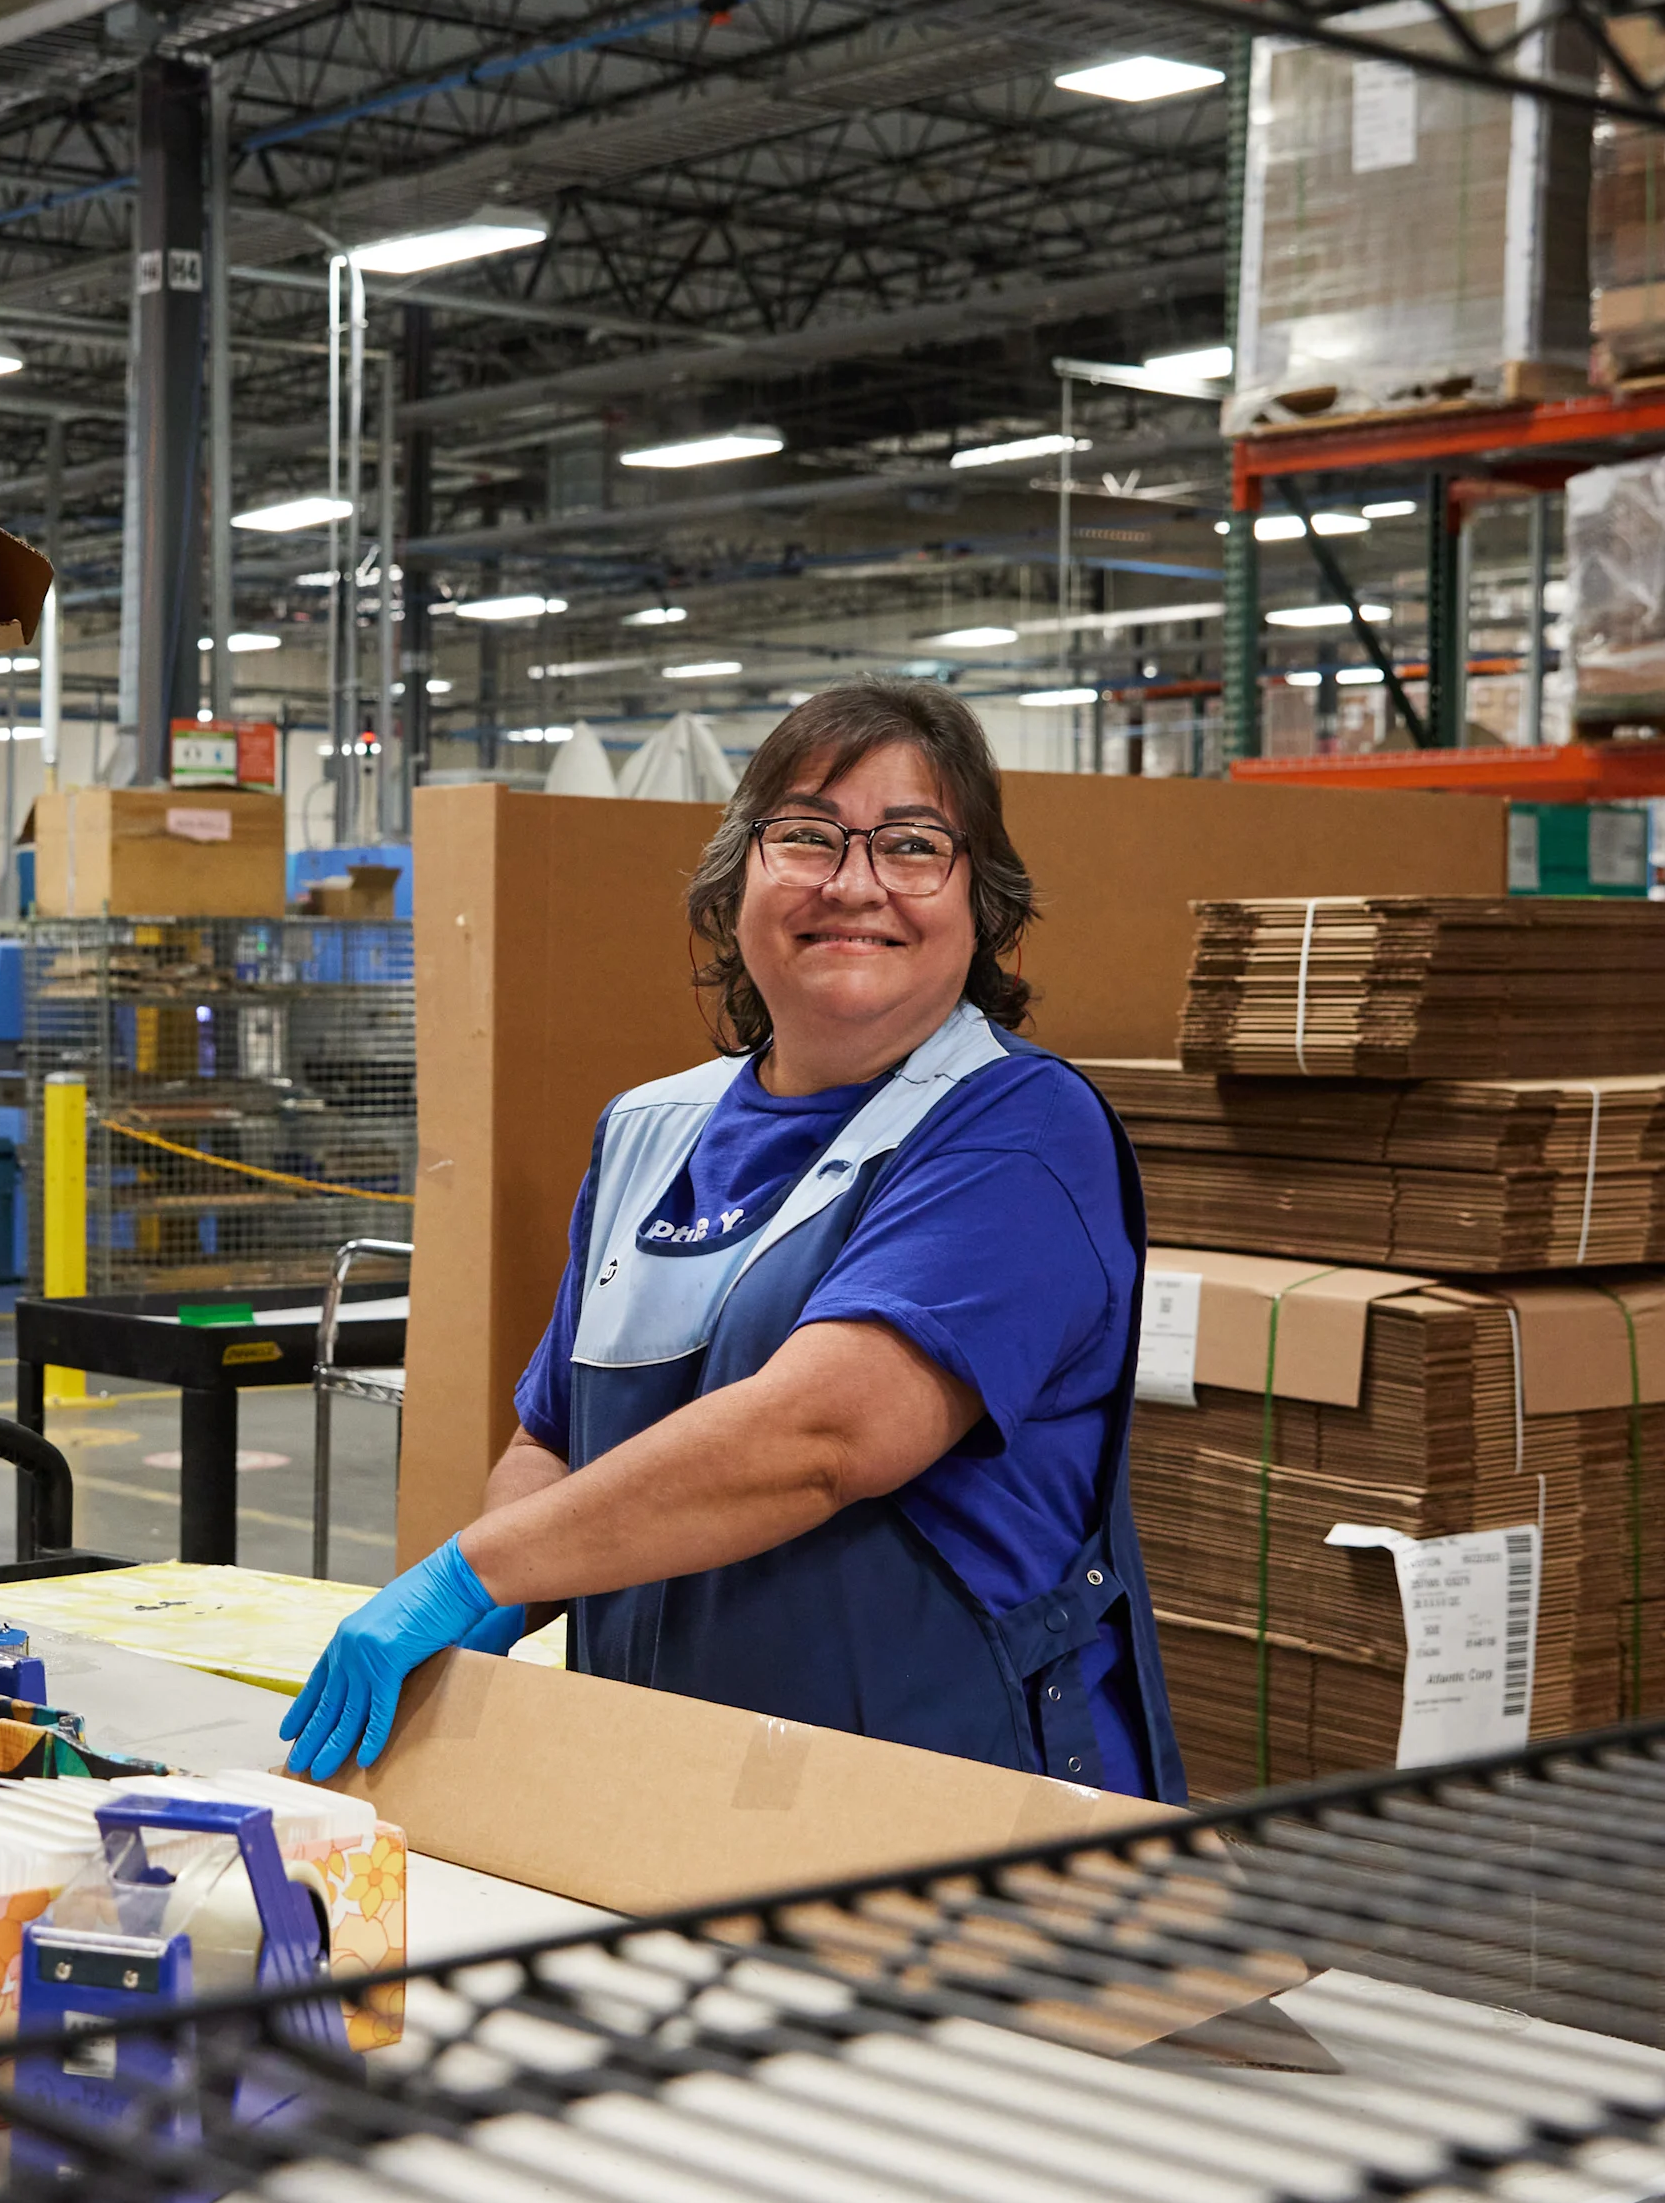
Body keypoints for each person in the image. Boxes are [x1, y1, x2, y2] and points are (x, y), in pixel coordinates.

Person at [284, 680, 1184, 1797]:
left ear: (979, 902)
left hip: (947, 1814)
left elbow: (827, 1431)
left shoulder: (1018, 1131)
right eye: (806, 835)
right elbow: (553, 1432)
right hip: (676, 1791)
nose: (855, 883)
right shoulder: (649, 1131)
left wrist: (468, 1570)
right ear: (737, 880)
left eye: (912, 845)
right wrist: (499, 1607)